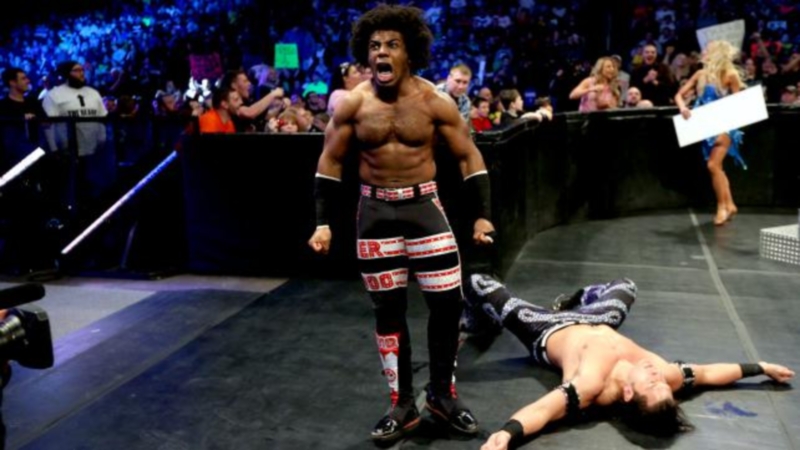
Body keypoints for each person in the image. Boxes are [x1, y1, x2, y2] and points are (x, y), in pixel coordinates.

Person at [307, 4, 495, 443]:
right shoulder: (354, 104)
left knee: (447, 306)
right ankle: (402, 403)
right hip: (374, 216)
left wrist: (483, 214)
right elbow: (330, 160)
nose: (381, 52)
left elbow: (469, 155)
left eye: (392, 44)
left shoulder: (434, 101)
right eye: (374, 45)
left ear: (410, 52)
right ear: (365, 53)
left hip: (424, 209)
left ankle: (443, 396)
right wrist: (322, 223)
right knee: (387, 311)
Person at [462, 272, 795, 450]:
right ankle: (575, 299)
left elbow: (544, 410)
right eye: (664, 384)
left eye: (652, 383)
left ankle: (480, 319)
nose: (657, 375)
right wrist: (760, 367)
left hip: (546, 329)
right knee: (626, 285)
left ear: (627, 393)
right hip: (597, 318)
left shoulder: (590, 385)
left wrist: (507, 434)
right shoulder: (664, 377)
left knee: (479, 283)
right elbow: (708, 373)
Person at [675, 40, 745, 226]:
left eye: (707, 50)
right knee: (717, 168)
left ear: (717, 53)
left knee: (713, 166)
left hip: (724, 125)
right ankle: (730, 205)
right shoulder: (700, 74)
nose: (703, 53)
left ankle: (722, 207)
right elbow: (679, 95)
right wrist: (683, 108)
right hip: (705, 126)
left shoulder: (730, 75)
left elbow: (738, 104)